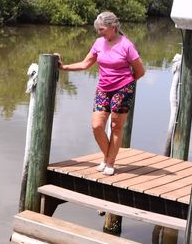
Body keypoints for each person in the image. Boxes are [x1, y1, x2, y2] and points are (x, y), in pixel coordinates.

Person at [56, 12, 145, 176]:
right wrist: (64, 67)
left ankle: (110, 162)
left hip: (123, 89)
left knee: (115, 127)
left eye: (102, 29)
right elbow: (85, 64)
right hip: (103, 89)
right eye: (98, 29)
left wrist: (125, 84)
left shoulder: (127, 45)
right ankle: (107, 156)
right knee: (97, 126)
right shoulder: (98, 43)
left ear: (113, 27)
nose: (99, 32)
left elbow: (140, 71)